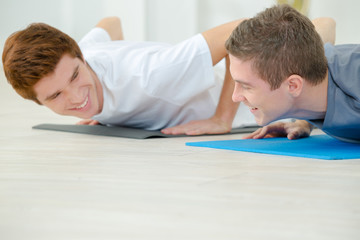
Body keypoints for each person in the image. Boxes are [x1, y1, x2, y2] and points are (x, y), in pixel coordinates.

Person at [2, 14, 334, 136]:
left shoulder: (153, 76)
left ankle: (321, 25)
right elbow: (111, 22)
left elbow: (237, 30)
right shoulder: (81, 53)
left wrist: (222, 118)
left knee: (317, 47)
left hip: (255, 100)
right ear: (37, 101)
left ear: (80, 56)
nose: (75, 97)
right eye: (56, 96)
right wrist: (100, 107)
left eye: (75, 77)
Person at [226, 4, 360, 143]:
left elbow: (327, 23)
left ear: (293, 86)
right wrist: (304, 121)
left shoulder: (354, 75)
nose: (235, 97)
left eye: (246, 86)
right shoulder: (304, 65)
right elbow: (326, 23)